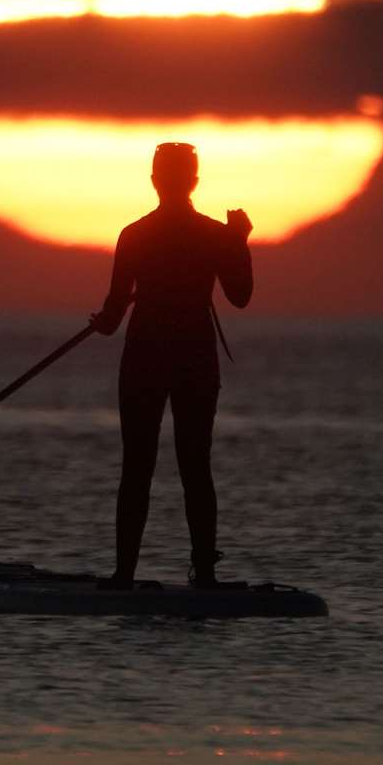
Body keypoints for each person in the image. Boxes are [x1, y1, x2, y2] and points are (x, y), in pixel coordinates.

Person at [90, 142, 252, 588]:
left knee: (137, 467)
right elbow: (241, 295)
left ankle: (123, 576)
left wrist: (101, 322)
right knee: (195, 466)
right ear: (193, 182)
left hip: (145, 358)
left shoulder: (134, 235)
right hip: (194, 360)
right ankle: (204, 576)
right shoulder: (216, 236)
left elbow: (112, 316)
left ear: (156, 180)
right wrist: (240, 241)